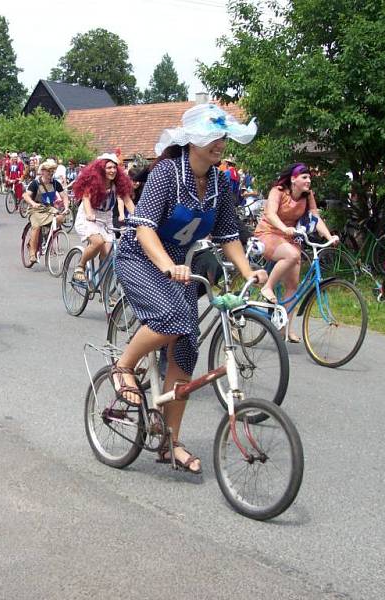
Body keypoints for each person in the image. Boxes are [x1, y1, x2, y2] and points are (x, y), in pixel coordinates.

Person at [112, 103, 267, 474]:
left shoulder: (219, 182)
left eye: (224, 138)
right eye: (214, 137)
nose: (221, 145)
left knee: (187, 345)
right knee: (172, 317)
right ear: (194, 140)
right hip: (139, 257)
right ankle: (123, 367)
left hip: (178, 265)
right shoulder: (168, 171)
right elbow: (145, 226)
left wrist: (248, 273)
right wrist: (166, 265)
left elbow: (228, 235)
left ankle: (170, 442)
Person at [255, 163, 338, 342]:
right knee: (292, 255)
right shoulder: (278, 191)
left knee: (293, 286)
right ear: (293, 179)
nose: (309, 180)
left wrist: (329, 237)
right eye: (304, 177)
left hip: (290, 237)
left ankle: (285, 329)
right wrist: (284, 228)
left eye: (309, 177)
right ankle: (267, 287)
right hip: (268, 233)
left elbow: (315, 218)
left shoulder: (308, 196)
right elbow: (270, 214)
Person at [71, 153, 135, 282]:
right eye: (108, 168)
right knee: (97, 242)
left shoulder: (117, 185)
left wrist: (137, 217)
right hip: (89, 217)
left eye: (114, 168)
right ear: (101, 169)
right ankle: (80, 266)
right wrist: (89, 214)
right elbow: (86, 198)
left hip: (106, 218)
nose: (112, 171)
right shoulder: (94, 183)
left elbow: (127, 201)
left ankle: (104, 291)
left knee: (108, 253)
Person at [23, 159, 68, 266]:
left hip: (49, 208)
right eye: (48, 171)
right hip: (36, 209)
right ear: (42, 172)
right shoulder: (35, 183)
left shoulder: (56, 184)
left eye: (52, 171)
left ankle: (48, 235)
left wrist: (66, 207)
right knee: (36, 226)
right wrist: (33, 203)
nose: (50, 174)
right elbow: (25, 195)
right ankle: (32, 252)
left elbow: (64, 196)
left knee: (61, 218)